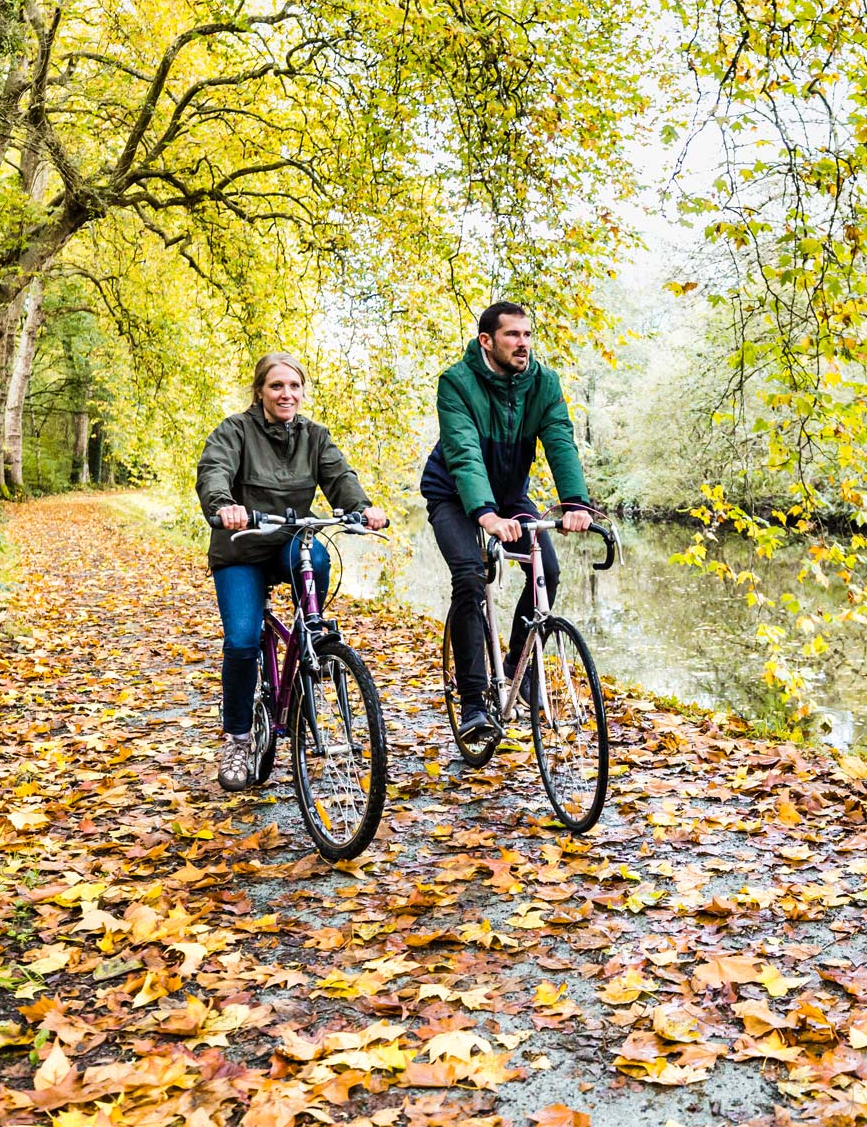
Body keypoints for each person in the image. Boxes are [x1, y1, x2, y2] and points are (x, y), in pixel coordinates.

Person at [197, 352, 388, 790]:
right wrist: (223, 506)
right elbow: (214, 471)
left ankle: (310, 643)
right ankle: (239, 739)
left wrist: (361, 509)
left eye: (294, 386)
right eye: (277, 386)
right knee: (243, 640)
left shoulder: (315, 437)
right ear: (260, 391)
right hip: (241, 548)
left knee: (318, 557)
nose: (287, 394)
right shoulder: (235, 431)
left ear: (302, 391)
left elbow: (341, 477)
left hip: (287, 542)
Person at [422, 301, 595, 741]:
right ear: (487, 340)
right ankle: (474, 703)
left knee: (547, 571)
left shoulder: (544, 383)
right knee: (469, 576)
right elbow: (462, 450)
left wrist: (576, 503)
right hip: (454, 494)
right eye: (512, 335)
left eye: (527, 335)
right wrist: (486, 515)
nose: (523, 344)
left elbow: (559, 441)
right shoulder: (456, 383)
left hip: (511, 493)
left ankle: (521, 662)